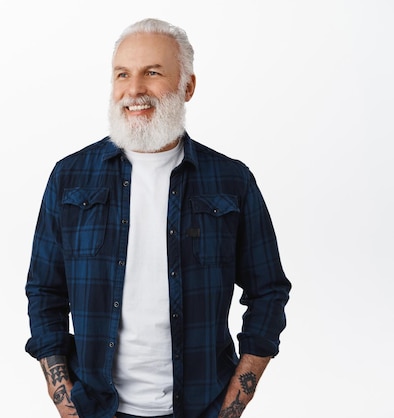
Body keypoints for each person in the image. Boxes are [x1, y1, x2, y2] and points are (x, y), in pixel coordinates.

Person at [25, 17, 291, 418]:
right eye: (122, 75)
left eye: (152, 72)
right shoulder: (70, 177)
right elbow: (44, 292)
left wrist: (236, 399)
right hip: (97, 408)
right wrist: (66, 401)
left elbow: (268, 290)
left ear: (188, 86)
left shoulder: (231, 181)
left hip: (202, 407)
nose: (134, 90)